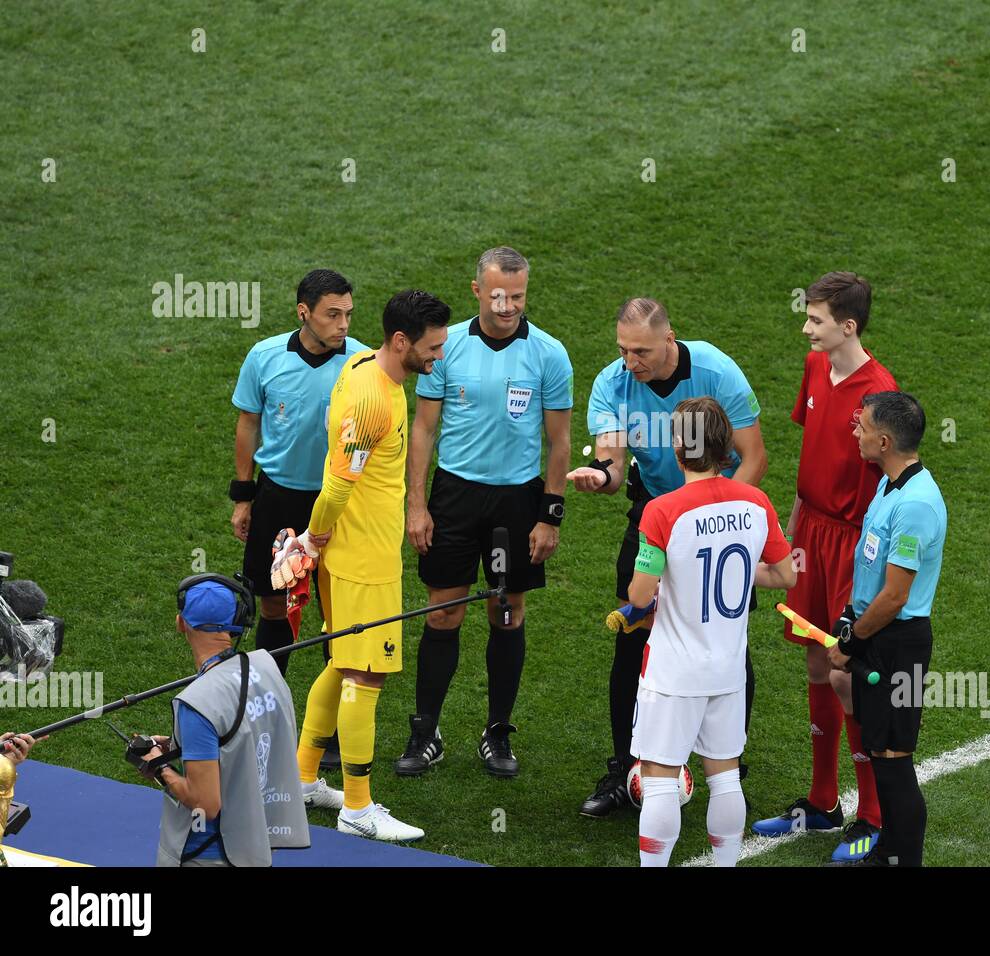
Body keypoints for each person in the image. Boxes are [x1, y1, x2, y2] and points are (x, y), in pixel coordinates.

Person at [568, 297, 769, 818]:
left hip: (716, 520)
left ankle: (725, 761)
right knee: (633, 638)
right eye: (622, 349)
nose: (630, 362)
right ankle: (626, 769)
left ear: (669, 338)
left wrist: (709, 513)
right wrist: (601, 476)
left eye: (641, 351)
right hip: (654, 518)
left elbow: (755, 457)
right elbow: (612, 466)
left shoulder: (716, 371)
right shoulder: (612, 384)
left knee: (724, 640)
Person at [401, 247, 572, 778]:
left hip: (516, 504)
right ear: (477, 290)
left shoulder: (548, 353)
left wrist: (549, 516)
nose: (508, 306)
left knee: (505, 613)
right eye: (498, 295)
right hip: (454, 498)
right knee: (442, 613)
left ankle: (497, 732)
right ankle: (425, 732)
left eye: (518, 296)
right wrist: (417, 503)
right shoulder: (445, 347)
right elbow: (424, 429)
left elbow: (560, 441)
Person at [292, 290, 451, 842]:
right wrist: (312, 540)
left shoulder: (363, 364)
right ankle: (357, 807)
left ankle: (302, 778)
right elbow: (338, 483)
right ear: (401, 341)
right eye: (432, 348)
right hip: (363, 562)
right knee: (367, 671)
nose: (438, 357)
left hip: (362, 554)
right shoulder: (372, 399)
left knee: (341, 660)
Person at [751, 271, 898, 864]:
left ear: (847, 326)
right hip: (810, 529)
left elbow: (891, 483)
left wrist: (870, 561)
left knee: (848, 671)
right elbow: (811, 462)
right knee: (816, 657)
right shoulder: (816, 369)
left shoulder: (878, 392)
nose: (804, 326)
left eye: (814, 319)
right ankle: (820, 802)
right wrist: (785, 536)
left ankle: (873, 814)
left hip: (854, 542)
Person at [625, 397, 795, 865]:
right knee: (724, 777)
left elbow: (640, 596)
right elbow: (784, 575)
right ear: (725, 448)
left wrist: (659, 582)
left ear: (680, 448)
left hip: (674, 672)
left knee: (659, 779)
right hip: (728, 668)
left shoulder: (662, 511)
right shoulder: (756, 502)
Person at [231, 268, 368, 684]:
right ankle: (266, 702)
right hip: (278, 500)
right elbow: (248, 423)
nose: (343, 324)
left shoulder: (363, 363)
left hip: (339, 502)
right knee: (273, 604)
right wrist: (243, 495)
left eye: (348, 314)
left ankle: (335, 725)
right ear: (303, 312)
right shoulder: (265, 356)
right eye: (332, 315)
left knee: (337, 608)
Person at [827, 391, 946, 866]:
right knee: (880, 751)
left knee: (895, 762)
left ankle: (905, 860)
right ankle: (889, 853)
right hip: (877, 632)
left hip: (898, 645)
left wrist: (851, 639)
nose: (854, 432)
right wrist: (848, 617)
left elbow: (896, 596)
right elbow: (872, 570)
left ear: (883, 440)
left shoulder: (915, 505)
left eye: (862, 427)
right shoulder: (889, 484)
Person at [147, 575, 308, 867]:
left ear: (181, 623)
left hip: (210, 854)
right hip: (257, 841)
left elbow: (205, 804)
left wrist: (158, 766)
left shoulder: (196, 703)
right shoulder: (267, 668)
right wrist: (181, 745)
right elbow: (241, 737)